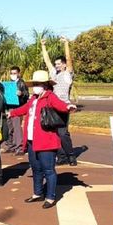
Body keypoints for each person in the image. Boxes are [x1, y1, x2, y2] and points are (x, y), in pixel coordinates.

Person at [8, 70, 77, 207]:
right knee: (36, 168)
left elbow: (60, 105)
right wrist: (12, 113)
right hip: (32, 140)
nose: (35, 87)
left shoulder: (50, 97)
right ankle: (37, 193)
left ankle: (50, 197)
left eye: (38, 84)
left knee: (48, 170)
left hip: (46, 141)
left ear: (45, 85)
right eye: (34, 84)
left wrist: (68, 106)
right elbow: (24, 109)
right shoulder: (33, 99)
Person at [41, 37, 77, 165]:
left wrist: (66, 44)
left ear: (64, 65)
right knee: (55, 132)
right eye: (56, 64)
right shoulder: (53, 73)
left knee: (63, 133)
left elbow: (69, 59)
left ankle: (71, 156)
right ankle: (61, 156)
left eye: (59, 64)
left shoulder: (67, 73)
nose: (56, 66)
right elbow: (47, 60)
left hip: (64, 106)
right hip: (52, 107)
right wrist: (43, 46)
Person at [2, 66, 29, 155]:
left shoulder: (21, 83)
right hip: (8, 107)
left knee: (17, 127)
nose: (13, 75)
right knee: (9, 127)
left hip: (17, 107)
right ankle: (11, 145)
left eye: (14, 73)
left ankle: (20, 147)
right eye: (11, 73)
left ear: (18, 74)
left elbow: (26, 95)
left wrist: (21, 94)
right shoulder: (8, 84)